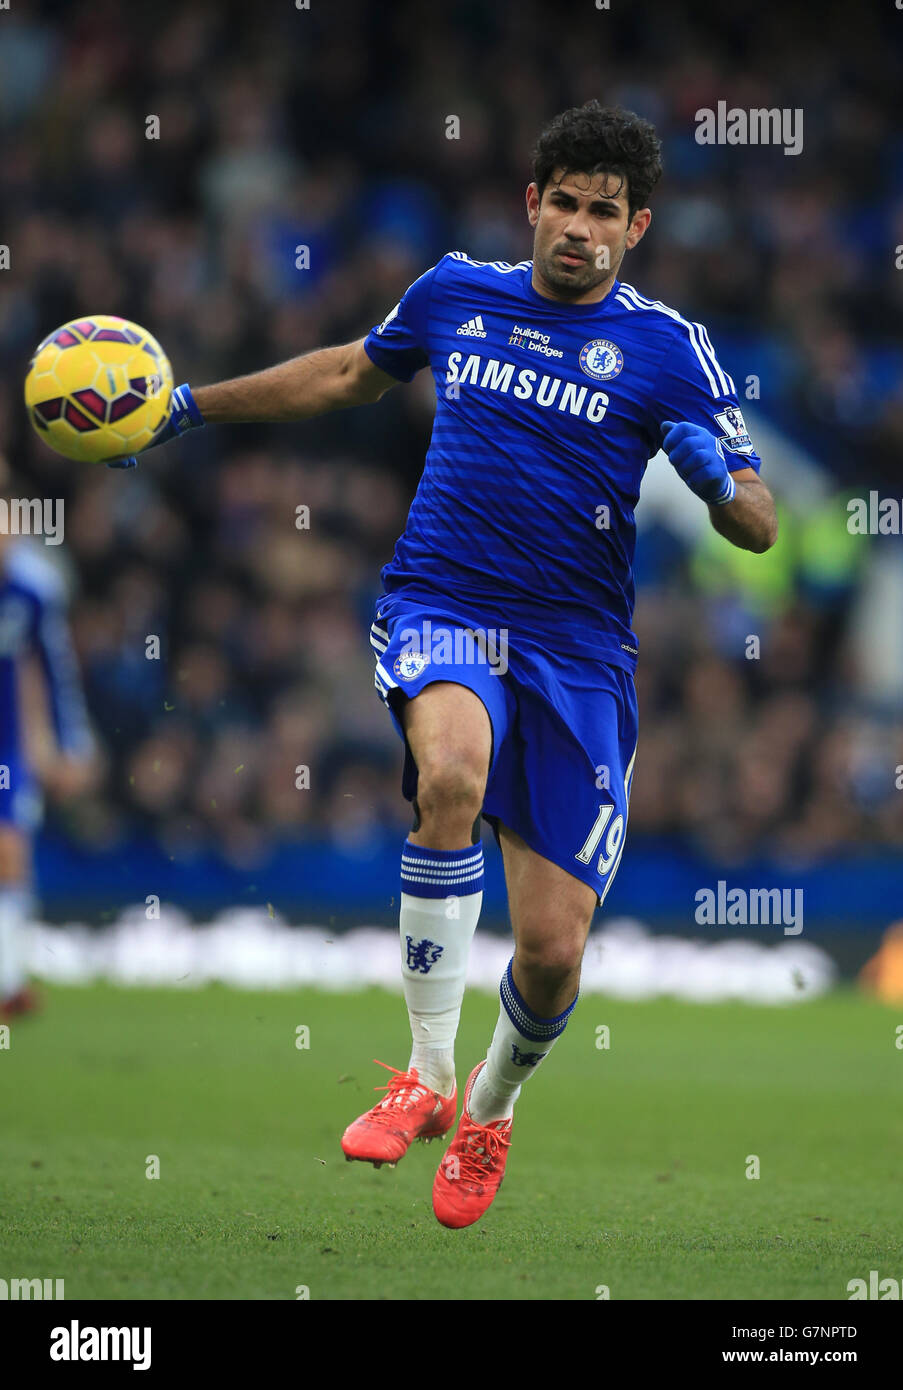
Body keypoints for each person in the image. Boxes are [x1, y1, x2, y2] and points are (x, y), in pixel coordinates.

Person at [110, 101, 777, 1228]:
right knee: (451, 775)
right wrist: (183, 407)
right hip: (446, 603)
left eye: (603, 212)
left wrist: (719, 480)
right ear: (532, 203)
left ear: (637, 227)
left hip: (577, 652)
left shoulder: (668, 350)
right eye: (561, 202)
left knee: (556, 954)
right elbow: (341, 374)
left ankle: (487, 1110)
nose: (578, 227)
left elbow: (758, 524)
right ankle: (422, 1068)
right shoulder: (454, 293)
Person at [0, 457, 96, 1019]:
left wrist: (70, 744)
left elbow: (53, 671)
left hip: (7, 743)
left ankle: (10, 983)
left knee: (10, 852)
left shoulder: (32, 591)